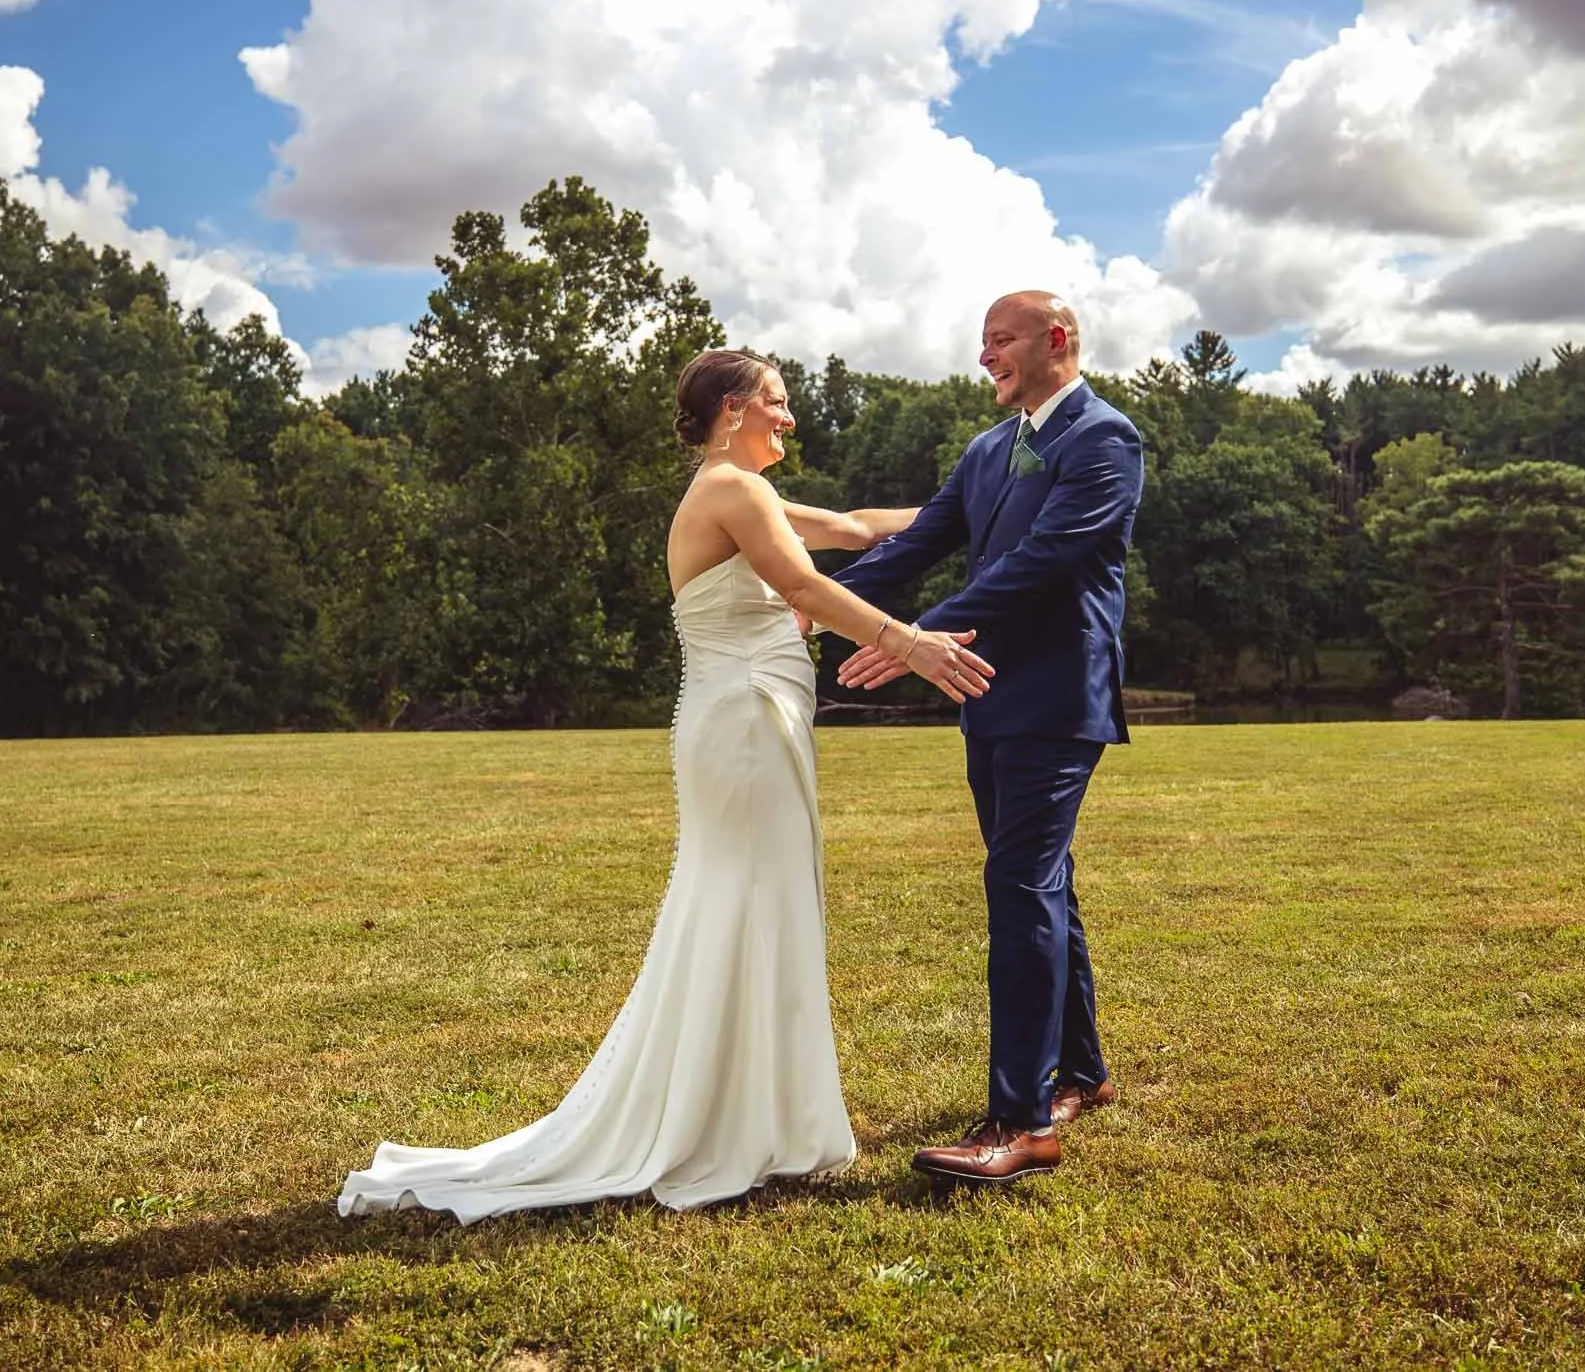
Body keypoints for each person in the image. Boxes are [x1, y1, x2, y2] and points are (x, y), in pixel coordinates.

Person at [337, 349, 990, 1221]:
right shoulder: (731, 490)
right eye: (777, 403)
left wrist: (982, 502)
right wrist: (913, 643)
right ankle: (721, 1121)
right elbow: (802, 583)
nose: (789, 419)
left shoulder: (740, 490)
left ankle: (746, 1112)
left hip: (748, 719)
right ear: (732, 409)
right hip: (744, 723)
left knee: (756, 903)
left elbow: (857, 526)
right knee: (744, 900)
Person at [831, 291, 1143, 1184]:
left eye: (999, 340)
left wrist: (911, 639)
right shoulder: (985, 450)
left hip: (1057, 698)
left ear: (1056, 341)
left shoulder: (1105, 439)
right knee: (1041, 878)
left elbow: (1043, 564)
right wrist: (818, 606)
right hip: (988, 695)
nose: (984, 357)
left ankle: (1022, 1120)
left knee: (1019, 881)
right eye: (981, 343)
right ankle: (1082, 1072)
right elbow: (917, 543)